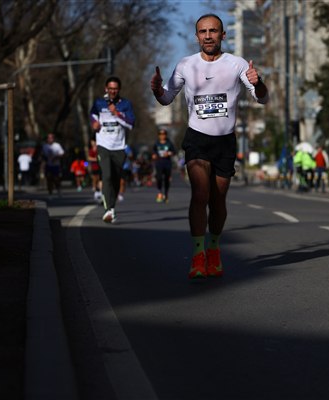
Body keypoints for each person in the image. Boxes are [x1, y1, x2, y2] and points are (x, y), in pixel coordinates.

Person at [150, 13, 269, 279]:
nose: (208, 36)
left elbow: (262, 99)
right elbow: (167, 98)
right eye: (203, 32)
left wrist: (258, 82)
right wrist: (157, 90)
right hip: (197, 139)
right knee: (200, 194)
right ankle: (197, 255)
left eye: (213, 31)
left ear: (222, 35)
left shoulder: (237, 64)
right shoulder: (186, 65)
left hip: (225, 142)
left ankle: (213, 249)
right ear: (196, 36)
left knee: (217, 201)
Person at [90, 76, 135, 223]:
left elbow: (131, 124)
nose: (112, 91)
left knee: (116, 179)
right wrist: (94, 123)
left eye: (115, 89)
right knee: (107, 176)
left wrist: (117, 113)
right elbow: (93, 115)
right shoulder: (99, 103)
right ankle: (108, 209)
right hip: (103, 145)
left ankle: (111, 208)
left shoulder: (126, 104)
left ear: (119, 89)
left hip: (119, 147)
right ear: (106, 89)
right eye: (110, 89)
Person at [152, 128, 176, 203]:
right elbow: (153, 151)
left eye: (163, 134)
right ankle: (159, 192)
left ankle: (166, 194)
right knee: (159, 178)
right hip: (159, 163)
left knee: (166, 179)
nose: (162, 136)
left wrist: (168, 153)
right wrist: (154, 155)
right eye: (160, 134)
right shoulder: (156, 143)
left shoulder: (169, 143)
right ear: (158, 135)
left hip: (167, 163)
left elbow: (174, 151)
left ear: (166, 135)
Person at [41, 133, 64, 197]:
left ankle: (58, 190)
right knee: (49, 179)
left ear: (53, 138)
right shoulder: (45, 146)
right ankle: (50, 193)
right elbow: (42, 155)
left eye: (51, 138)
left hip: (56, 165)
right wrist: (44, 160)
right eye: (49, 138)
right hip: (48, 165)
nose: (50, 139)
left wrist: (56, 157)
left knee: (56, 178)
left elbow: (62, 153)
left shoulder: (57, 145)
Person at [87, 138, 102, 203]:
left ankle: (100, 191)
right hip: (94, 167)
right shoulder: (91, 150)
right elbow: (89, 158)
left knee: (99, 179)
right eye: (92, 142)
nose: (93, 143)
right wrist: (95, 159)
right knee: (94, 179)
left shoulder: (99, 149)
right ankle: (95, 190)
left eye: (94, 142)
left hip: (100, 166)